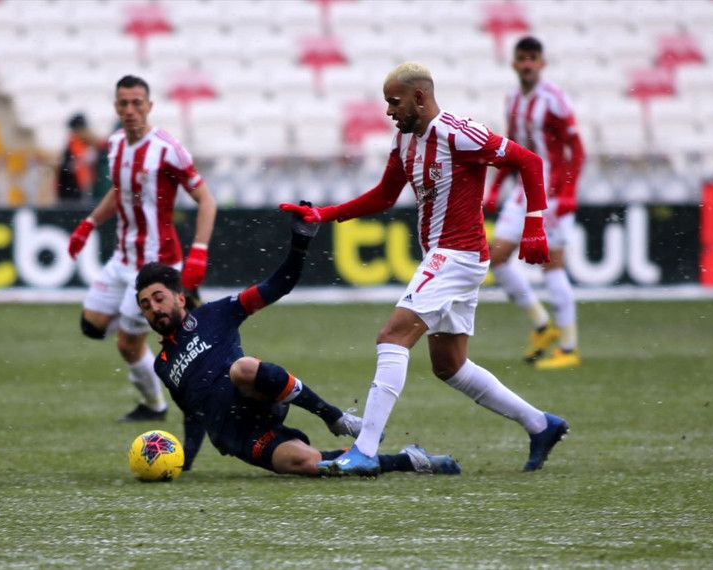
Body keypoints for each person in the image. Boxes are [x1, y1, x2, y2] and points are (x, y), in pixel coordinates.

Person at [281, 61, 568, 476]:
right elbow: (383, 195)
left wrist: (535, 224)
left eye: (394, 103)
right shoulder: (405, 143)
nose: (389, 112)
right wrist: (324, 215)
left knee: (392, 335)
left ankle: (364, 449)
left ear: (419, 97)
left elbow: (529, 161)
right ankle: (541, 424)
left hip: (458, 254)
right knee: (449, 365)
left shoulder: (459, 132)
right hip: (446, 256)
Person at [134, 212, 461, 477]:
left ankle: (334, 417)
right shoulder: (162, 363)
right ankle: (408, 460)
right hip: (237, 436)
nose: (154, 308)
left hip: (253, 395)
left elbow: (279, 285)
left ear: (179, 297)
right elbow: (194, 413)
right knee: (307, 464)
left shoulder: (216, 312)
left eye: (158, 298)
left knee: (242, 368)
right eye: (146, 305)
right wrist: (184, 460)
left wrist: (300, 244)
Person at [68, 75, 217, 422]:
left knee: (127, 344)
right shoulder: (117, 143)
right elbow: (120, 192)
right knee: (92, 325)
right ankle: (183, 315)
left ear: (149, 106)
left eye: (138, 103)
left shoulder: (168, 149)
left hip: (155, 267)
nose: (131, 109)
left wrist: (199, 250)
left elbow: (206, 200)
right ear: (116, 107)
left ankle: (155, 406)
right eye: (124, 103)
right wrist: (89, 223)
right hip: (122, 258)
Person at [483, 36, 586, 370]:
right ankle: (543, 325)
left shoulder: (554, 99)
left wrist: (569, 191)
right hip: (523, 189)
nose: (527, 64)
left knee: (552, 264)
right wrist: (496, 185)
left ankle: (569, 347)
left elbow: (577, 148)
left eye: (533, 58)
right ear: (514, 63)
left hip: (553, 191)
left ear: (541, 63)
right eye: (522, 58)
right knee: (496, 257)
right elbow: (511, 147)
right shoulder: (513, 98)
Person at [56, 113, 98, 202]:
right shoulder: (73, 144)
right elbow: (69, 167)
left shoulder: (85, 144)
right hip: (72, 191)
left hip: (80, 189)